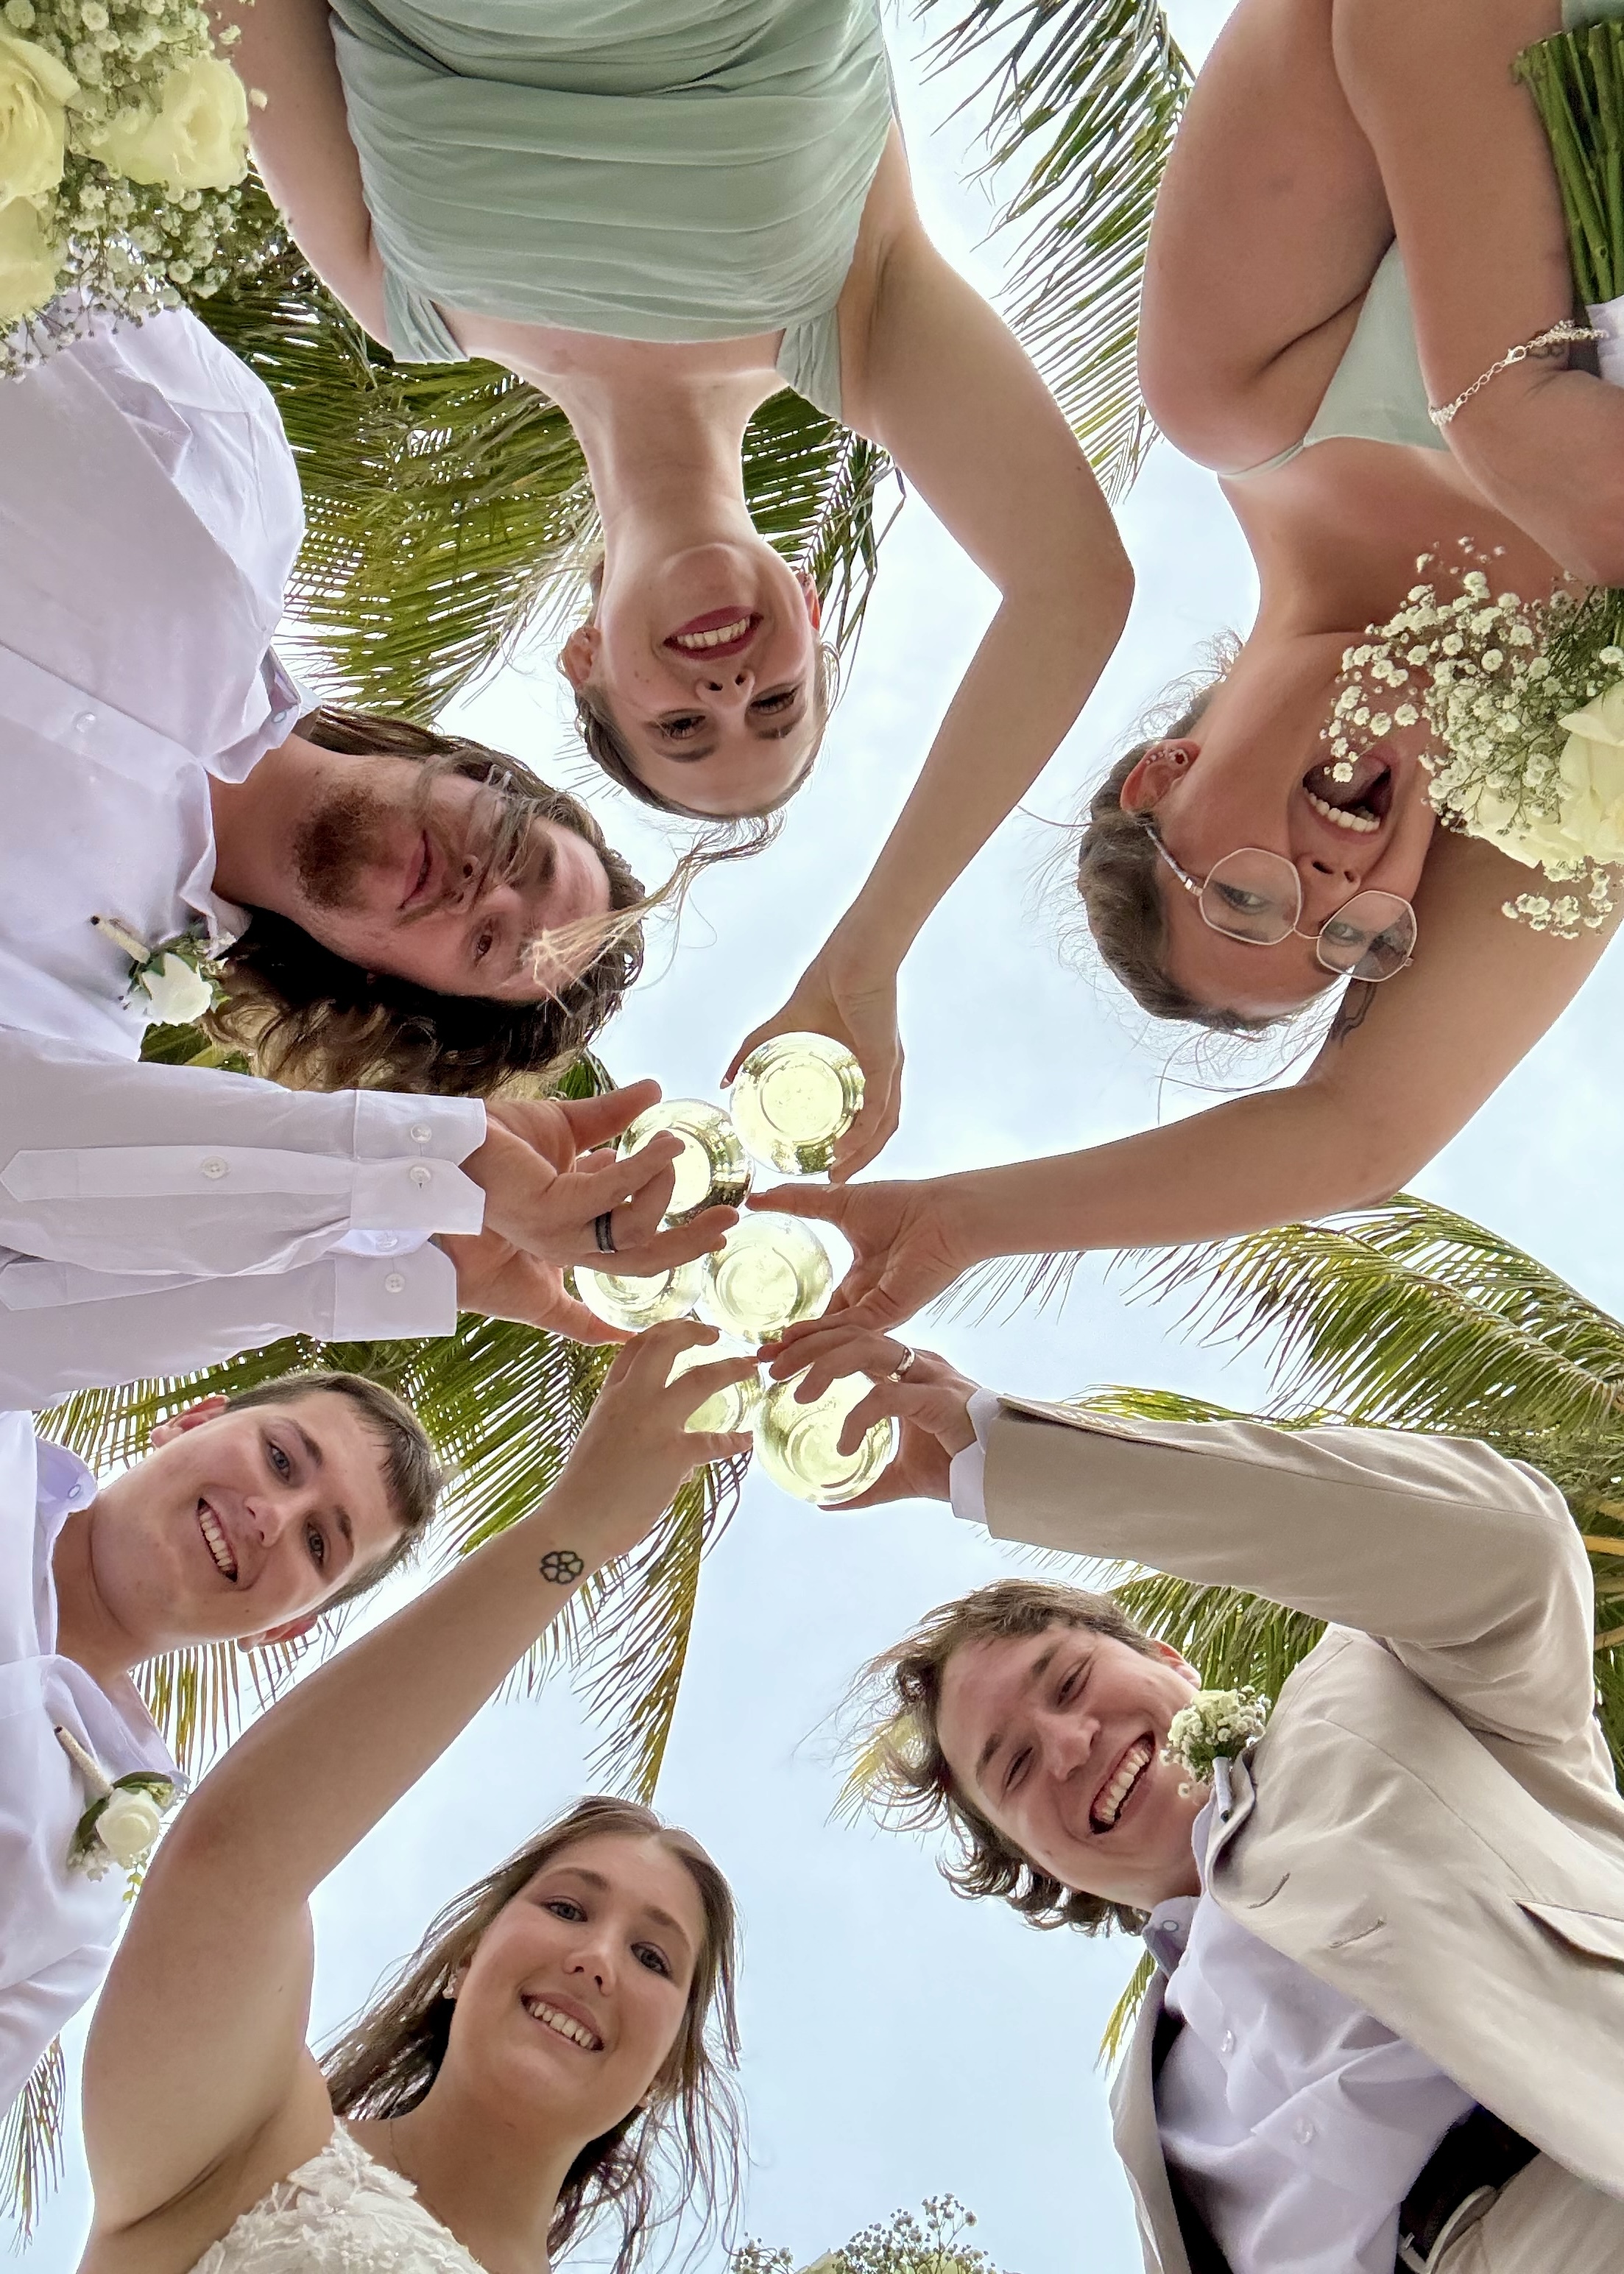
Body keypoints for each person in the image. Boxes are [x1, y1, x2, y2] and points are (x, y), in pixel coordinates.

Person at [215, 0, 1135, 1173]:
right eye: (777, 703)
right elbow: (1076, 592)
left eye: (682, 726)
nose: (732, 685)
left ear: (588, 656)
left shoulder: (396, 297)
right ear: (807, 607)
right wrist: (865, 958)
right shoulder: (861, 324)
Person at [776, 1321, 1624, 2274]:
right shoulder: (1141, 2109)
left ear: (1167, 1660)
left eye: (1066, 1683)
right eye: (1011, 1768)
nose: (1065, 1745)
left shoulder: (1387, 1688)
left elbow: (1512, 1551)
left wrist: (1005, 1459)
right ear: (1028, 1860)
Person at [76, 1323, 754, 2274]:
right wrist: (569, 1536)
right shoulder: (241, 2143)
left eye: (652, 1957)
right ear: (462, 1961)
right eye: (565, 1906)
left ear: (668, 2067)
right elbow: (234, 1865)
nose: (596, 1960)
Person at [1, 295, 646, 1101]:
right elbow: (46, 254)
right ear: (471, 773)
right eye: (520, 853)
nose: (484, 886)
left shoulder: (66, 1022)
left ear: (389, 988)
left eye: (489, 943)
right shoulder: (238, 494)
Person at [1, 1365, 439, 2124]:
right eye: (280, 1459)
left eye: (316, 1541)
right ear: (190, 1418)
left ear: (287, 1627)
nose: (272, 1516)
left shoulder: (87, 1899)